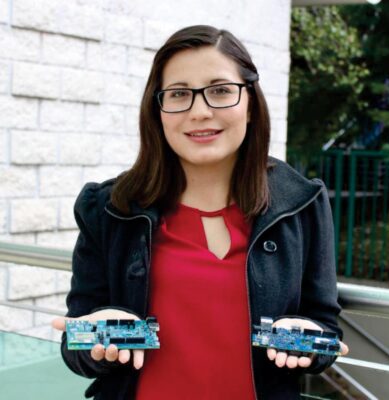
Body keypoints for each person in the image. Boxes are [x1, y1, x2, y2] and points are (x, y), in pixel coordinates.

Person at [52, 25, 348, 400]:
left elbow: (324, 332)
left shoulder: (301, 204)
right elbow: (77, 345)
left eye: (221, 91)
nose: (200, 111)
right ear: (157, 109)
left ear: (251, 103)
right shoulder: (111, 208)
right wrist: (96, 339)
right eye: (179, 94)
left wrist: (302, 340)